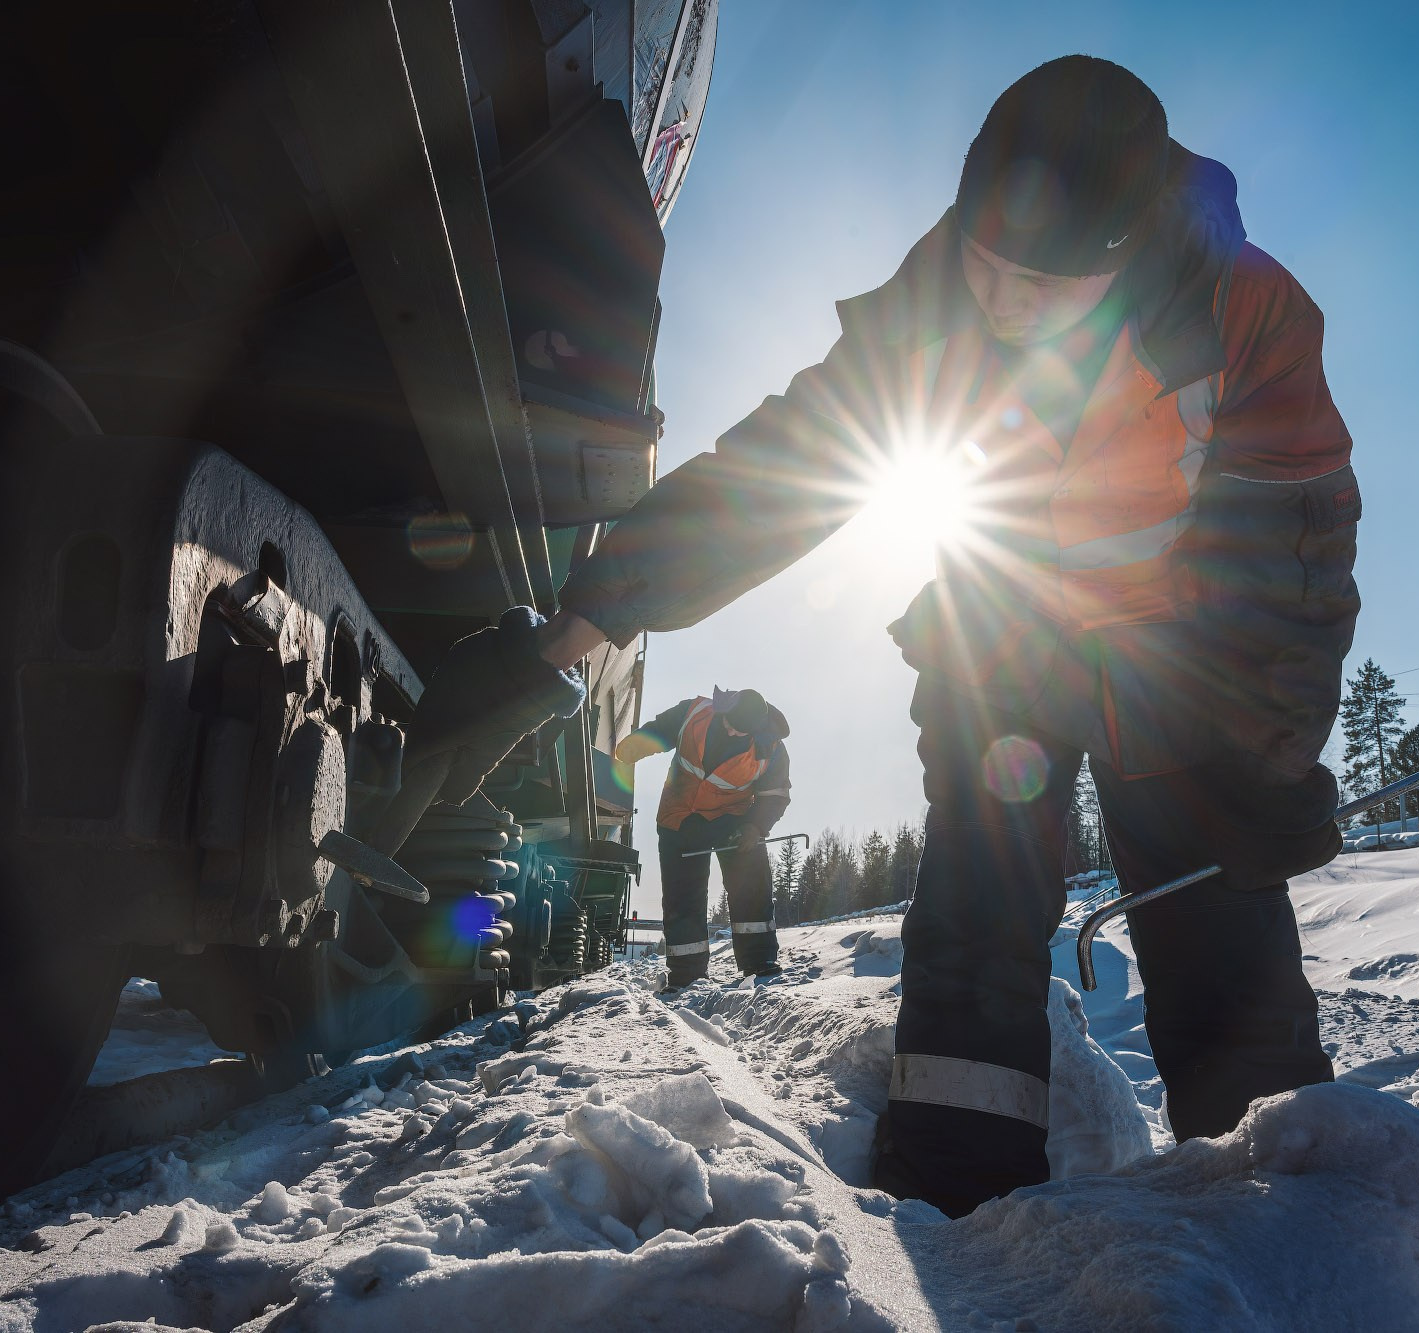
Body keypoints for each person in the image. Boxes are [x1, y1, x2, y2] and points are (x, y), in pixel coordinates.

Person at [426, 55, 1360, 1218]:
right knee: (974, 903)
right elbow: (779, 472)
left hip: (1176, 650)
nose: (1003, 300)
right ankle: (957, 1202)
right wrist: (582, 617)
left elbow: (1298, 556)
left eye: (1041, 284)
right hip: (1002, 630)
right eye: (986, 261)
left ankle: (1284, 1219)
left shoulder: (1248, 315)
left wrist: (1267, 753)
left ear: (1121, 268)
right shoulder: (937, 302)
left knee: (1213, 918)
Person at [615, 688, 792, 986]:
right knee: (682, 895)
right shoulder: (696, 713)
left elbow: (774, 795)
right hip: (680, 817)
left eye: (740, 730)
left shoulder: (772, 750)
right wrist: (636, 745)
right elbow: (661, 729)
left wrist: (755, 828)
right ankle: (686, 973)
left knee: (751, 883)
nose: (731, 730)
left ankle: (760, 963)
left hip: (733, 820)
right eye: (729, 722)